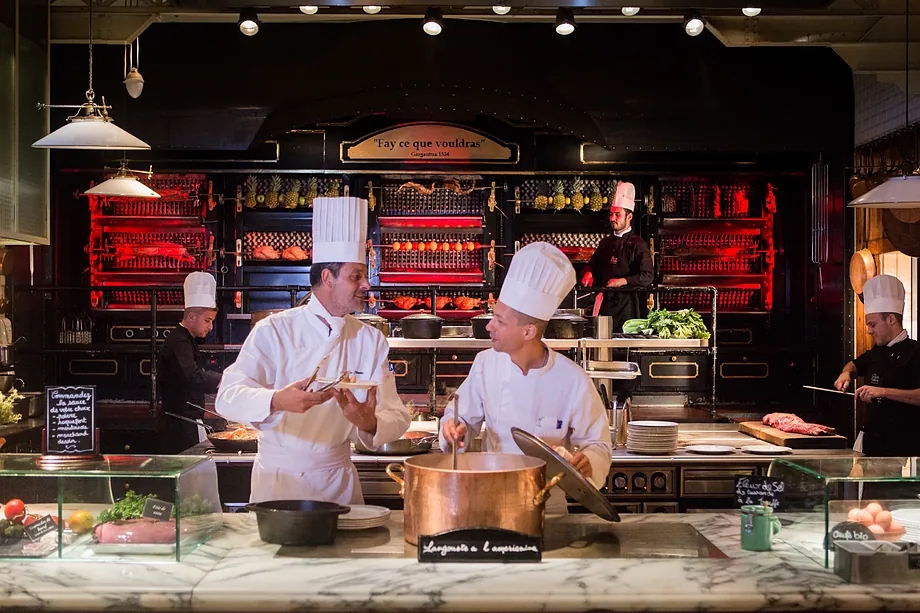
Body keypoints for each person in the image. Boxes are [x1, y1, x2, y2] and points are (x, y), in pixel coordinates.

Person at [216, 196, 410, 505]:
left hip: (338, 485)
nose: (366, 285)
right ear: (327, 278)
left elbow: (397, 414)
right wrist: (278, 400)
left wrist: (369, 423)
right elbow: (226, 397)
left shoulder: (370, 340)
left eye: (364, 275)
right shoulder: (274, 330)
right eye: (355, 276)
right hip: (278, 485)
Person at [440, 242, 612, 512]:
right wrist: (452, 428)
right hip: (491, 501)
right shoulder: (486, 364)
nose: (489, 326)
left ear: (529, 332)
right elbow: (460, 417)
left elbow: (599, 444)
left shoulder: (573, 380)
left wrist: (589, 460)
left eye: (499, 320)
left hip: (547, 508)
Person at [834, 274, 920, 456]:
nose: (869, 330)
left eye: (872, 324)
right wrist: (846, 374)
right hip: (872, 443)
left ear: (891, 320)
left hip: (904, 448)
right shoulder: (877, 351)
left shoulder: (915, 352)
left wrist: (883, 392)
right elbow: (854, 365)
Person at [156, 272, 222, 454]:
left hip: (188, 421)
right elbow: (192, 376)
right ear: (192, 316)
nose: (210, 327)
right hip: (179, 427)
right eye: (207, 321)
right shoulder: (179, 341)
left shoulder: (187, 339)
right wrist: (222, 380)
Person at [580, 182, 653, 328]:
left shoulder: (638, 244)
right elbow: (593, 265)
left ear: (629, 216)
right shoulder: (605, 243)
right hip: (606, 305)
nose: (612, 218)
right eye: (611, 214)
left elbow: (648, 276)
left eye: (617, 214)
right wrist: (588, 272)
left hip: (628, 307)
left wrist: (622, 281)